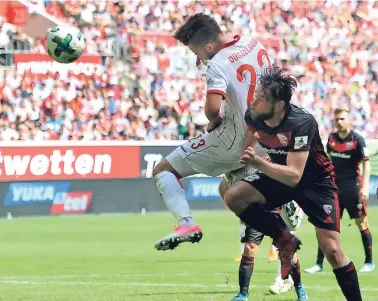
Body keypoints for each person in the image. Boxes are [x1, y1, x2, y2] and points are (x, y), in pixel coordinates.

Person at [224, 66, 362, 300]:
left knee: (333, 251)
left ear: (279, 105)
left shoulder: (301, 122)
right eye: (256, 95)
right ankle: (284, 239)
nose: (254, 101)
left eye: (261, 98)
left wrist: (257, 161)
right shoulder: (254, 115)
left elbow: (295, 175)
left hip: (316, 183)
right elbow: (247, 149)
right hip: (278, 173)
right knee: (233, 196)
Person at [153, 13, 274, 250]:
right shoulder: (252, 41)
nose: (198, 58)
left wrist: (213, 122)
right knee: (231, 189)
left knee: (163, 169)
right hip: (265, 136)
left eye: (196, 52)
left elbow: (212, 109)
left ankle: (186, 223)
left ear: (209, 45)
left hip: (235, 138)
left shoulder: (218, 63)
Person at [305, 108, 374, 273]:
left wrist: (364, 187)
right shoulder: (331, 139)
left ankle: (369, 262)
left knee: (361, 223)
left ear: (349, 120)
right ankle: (319, 264)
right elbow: (328, 161)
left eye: (342, 118)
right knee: (326, 225)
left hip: (353, 188)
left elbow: (366, 163)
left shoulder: (358, 140)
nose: (339, 122)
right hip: (334, 188)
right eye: (337, 119)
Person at [220, 172, 308, 300]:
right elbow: (223, 184)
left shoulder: (268, 160)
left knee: (288, 251)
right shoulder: (238, 164)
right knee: (249, 248)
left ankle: (300, 288)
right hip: (257, 212)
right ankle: (243, 294)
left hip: (277, 210)